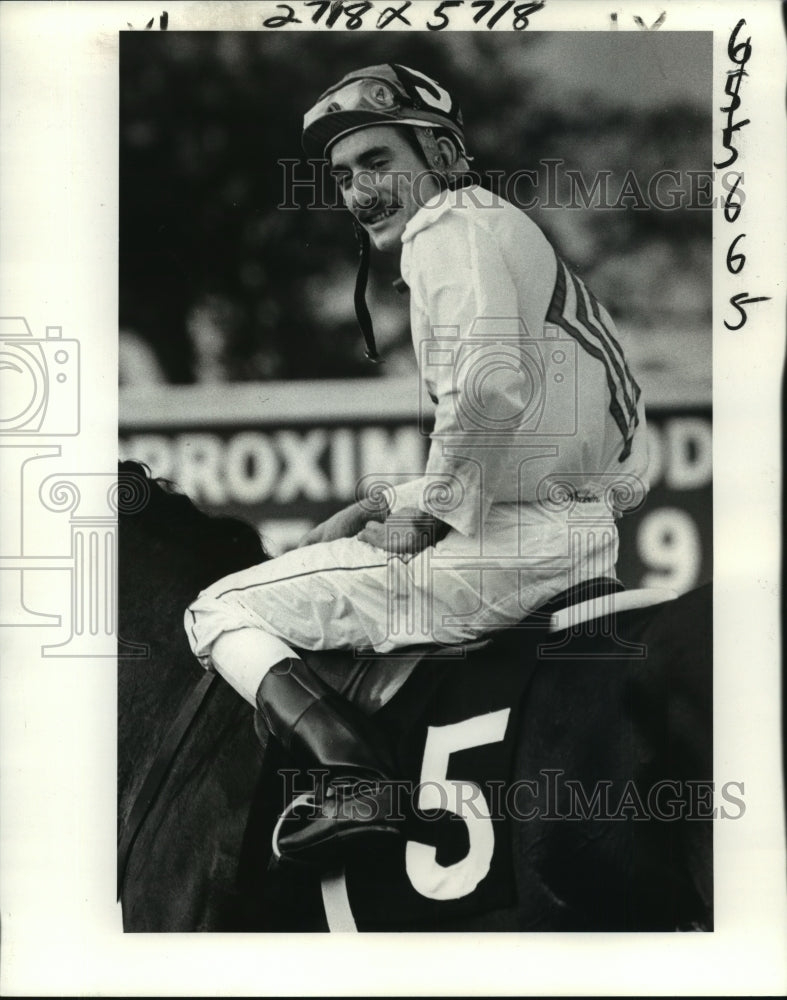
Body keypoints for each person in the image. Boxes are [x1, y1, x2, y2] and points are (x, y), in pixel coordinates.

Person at [185, 64, 649, 865]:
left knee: (219, 610)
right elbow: (535, 431)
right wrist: (383, 502)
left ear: (440, 155)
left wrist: (430, 510)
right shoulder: (494, 227)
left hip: (513, 549)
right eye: (341, 176)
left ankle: (353, 778)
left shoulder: (446, 226)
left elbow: (489, 383)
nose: (359, 191)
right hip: (567, 533)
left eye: (376, 162)